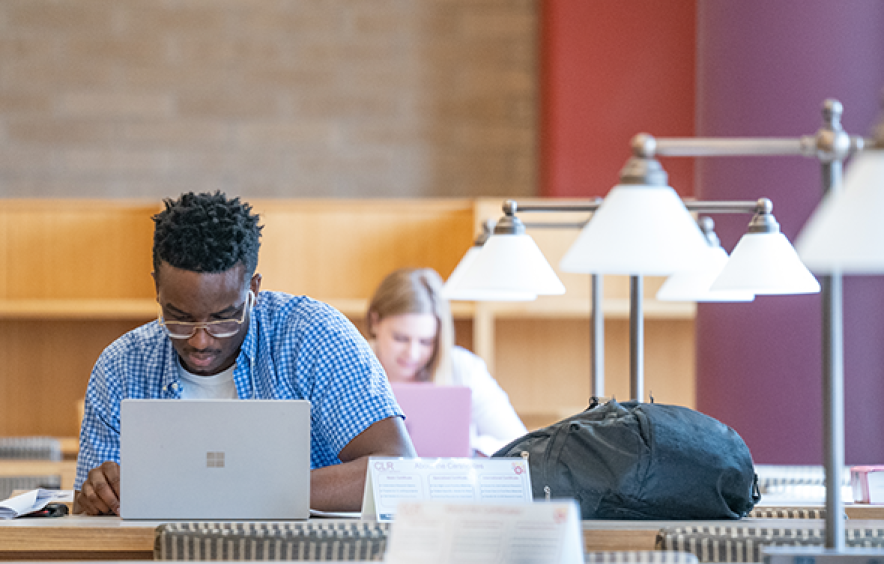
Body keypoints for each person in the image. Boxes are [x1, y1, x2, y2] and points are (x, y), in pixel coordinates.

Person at [74, 191, 415, 515]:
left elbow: (396, 470)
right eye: (179, 317)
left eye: (223, 318)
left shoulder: (312, 336)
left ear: (253, 288)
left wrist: (247, 491)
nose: (201, 340)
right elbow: (87, 511)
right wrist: (96, 496)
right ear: (157, 289)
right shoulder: (120, 366)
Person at [366, 267, 527, 456]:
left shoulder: (462, 367)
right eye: (400, 338)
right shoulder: (350, 366)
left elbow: (518, 442)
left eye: (426, 341)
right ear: (375, 322)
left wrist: (469, 448)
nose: (412, 353)